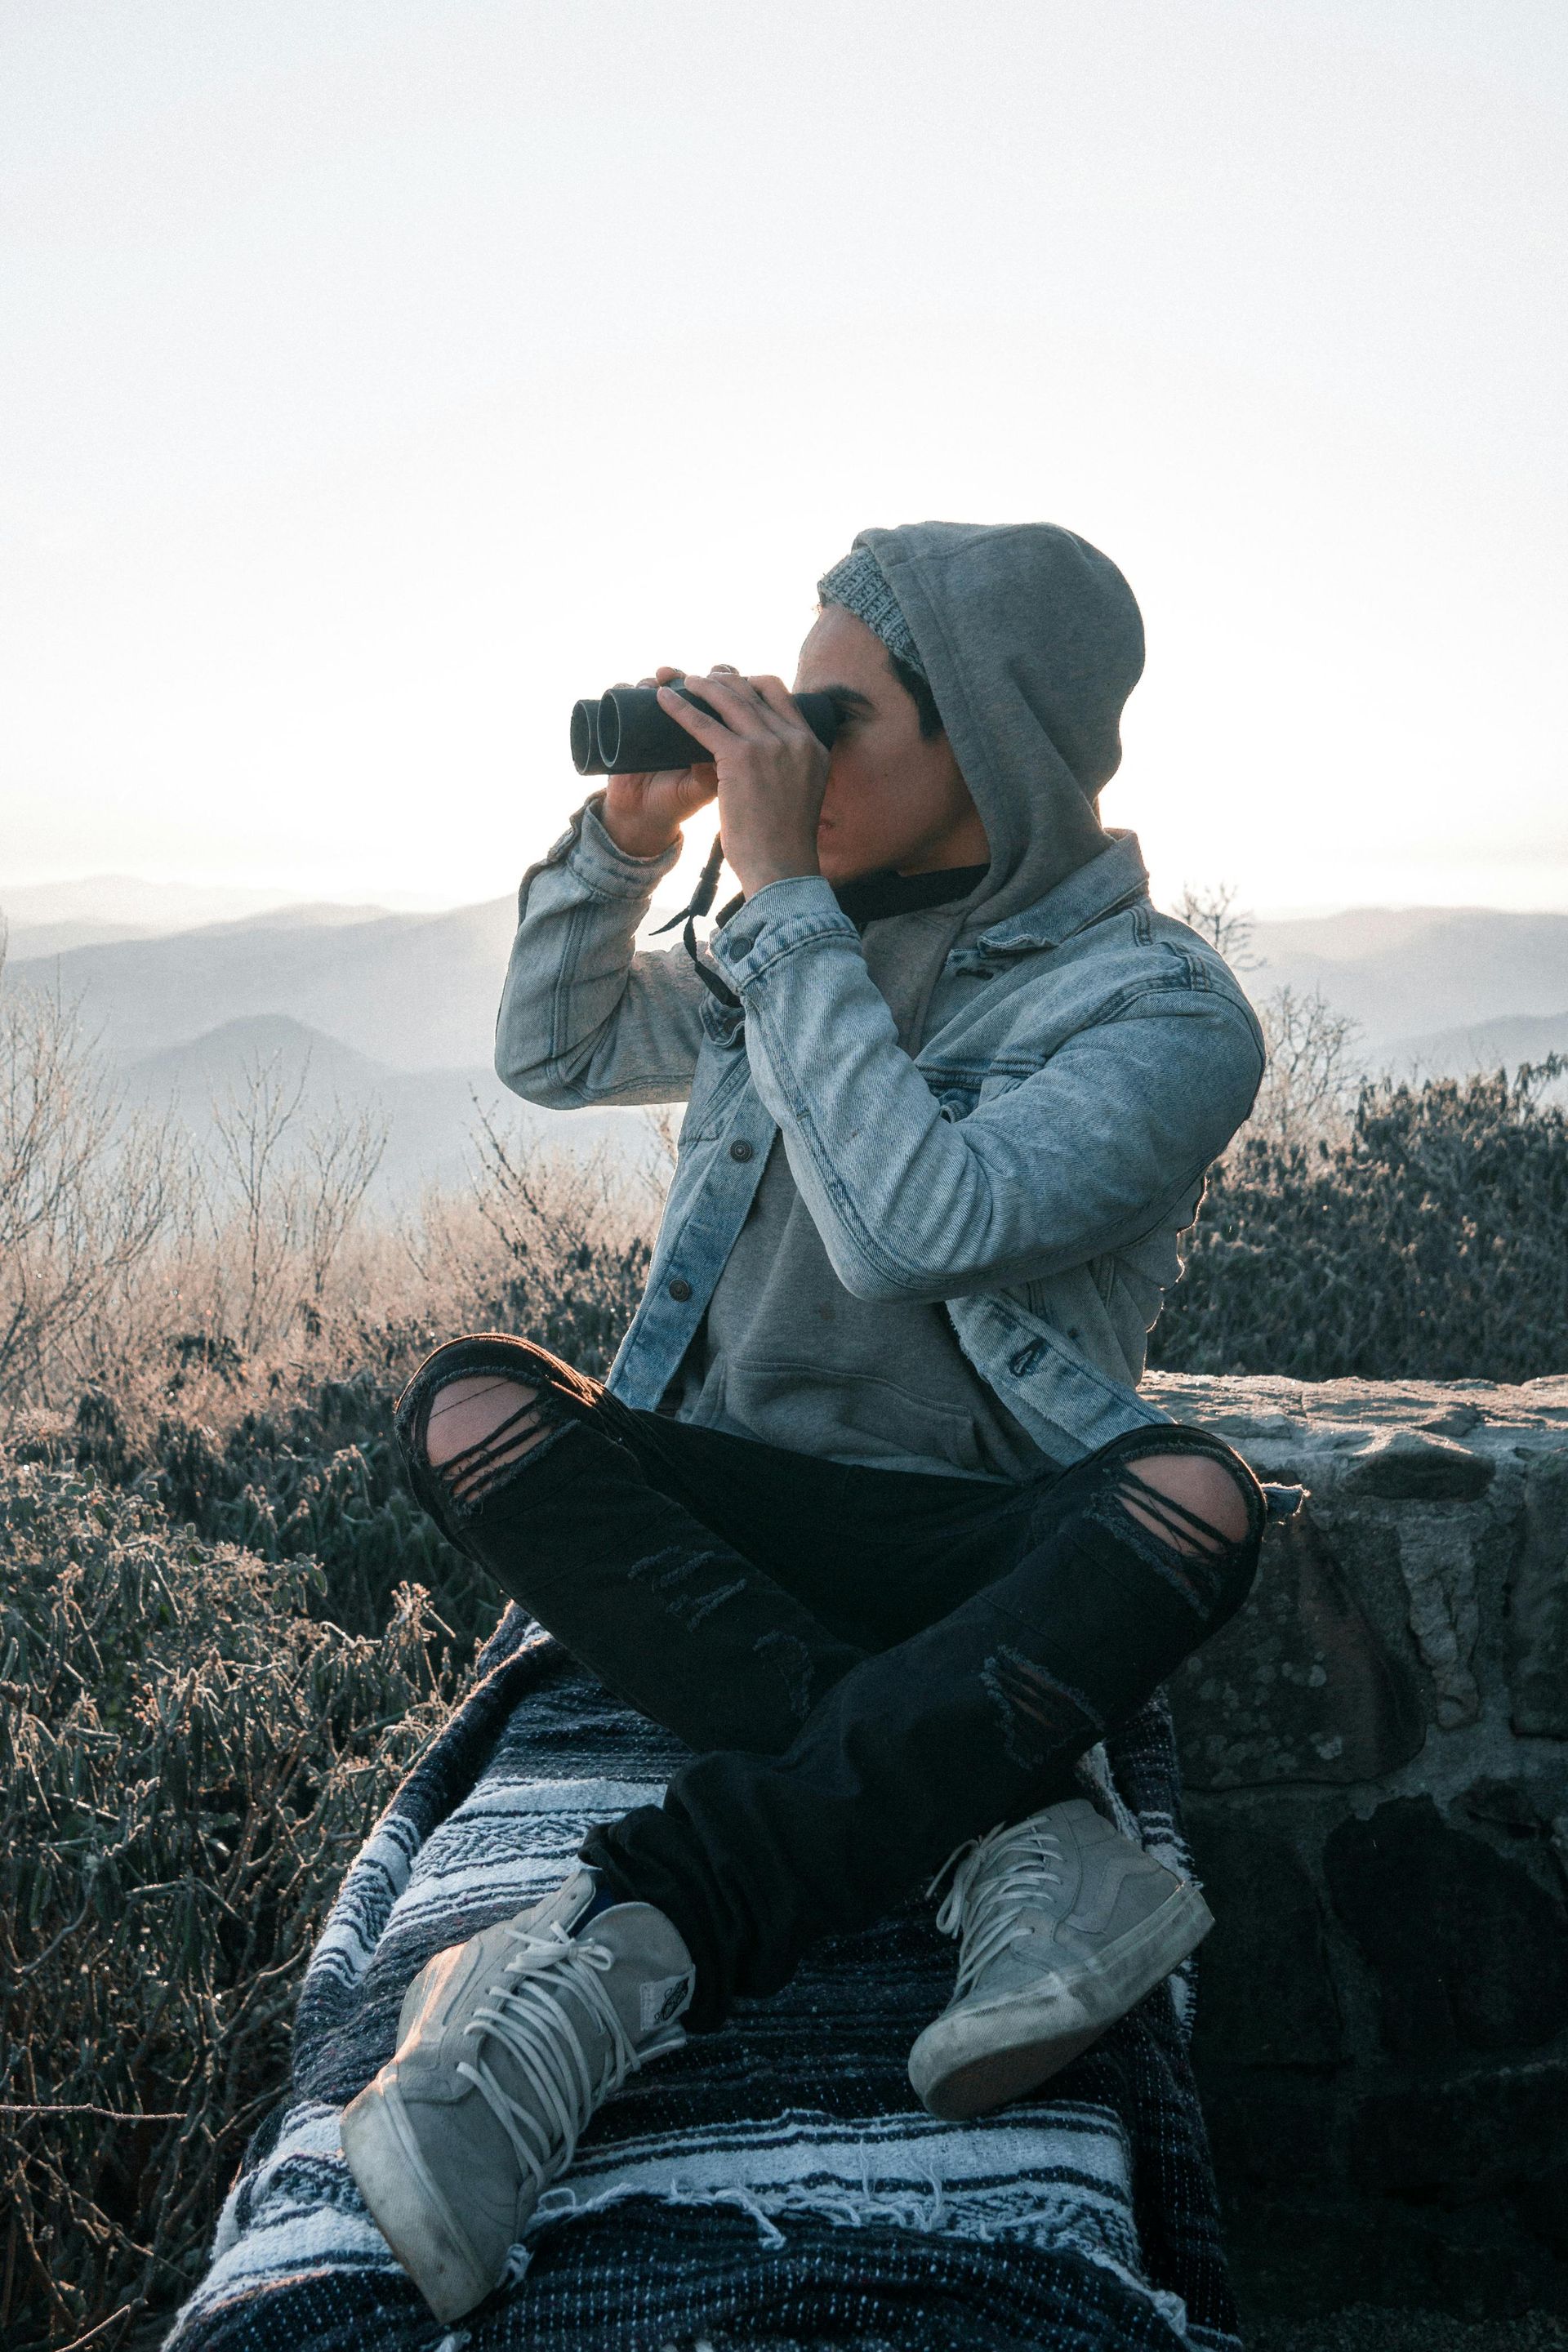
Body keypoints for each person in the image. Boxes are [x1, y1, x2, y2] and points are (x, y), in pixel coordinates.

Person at [341, 520, 1270, 2325]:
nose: (791, 752)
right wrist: (630, 839)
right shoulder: (783, 949)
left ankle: (634, 1942)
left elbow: (916, 1223)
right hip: (736, 1506)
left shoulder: (1159, 1007)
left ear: (989, 745)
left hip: (973, 1534)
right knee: (471, 1400)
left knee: (1194, 1498)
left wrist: (775, 907)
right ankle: (984, 1826)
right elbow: (552, 1048)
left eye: (833, 719)